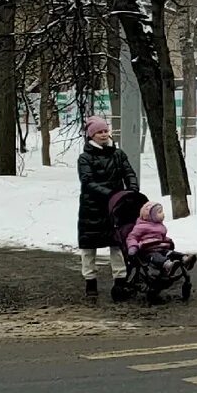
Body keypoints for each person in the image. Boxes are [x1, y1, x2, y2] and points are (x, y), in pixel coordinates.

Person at [76, 113, 138, 299]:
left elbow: (129, 174)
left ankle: (120, 281)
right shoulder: (85, 158)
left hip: (116, 208)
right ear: (91, 135)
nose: (103, 135)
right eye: (99, 132)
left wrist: (132, 191)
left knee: (117, 245)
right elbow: (87, 181)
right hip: (92, 208)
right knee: (89, 248)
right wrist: (110, 194)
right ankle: (90, 283)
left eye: (105, 131)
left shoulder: (119, 154)